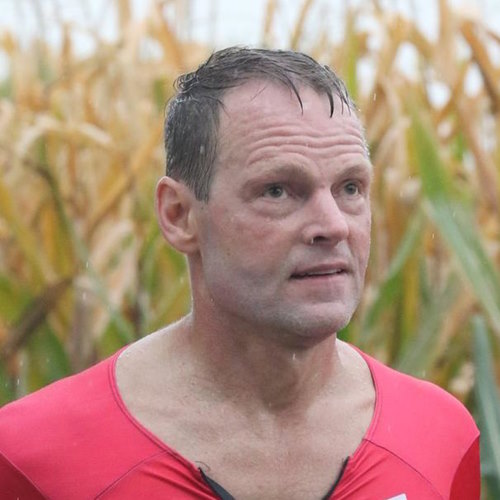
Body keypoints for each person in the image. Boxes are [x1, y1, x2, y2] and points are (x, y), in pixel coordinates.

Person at [0, 47, 479, 499]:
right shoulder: (33, 457)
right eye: (277, 191)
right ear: (178, 216)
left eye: (350, 187)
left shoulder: (440, 438)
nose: (333, 225)